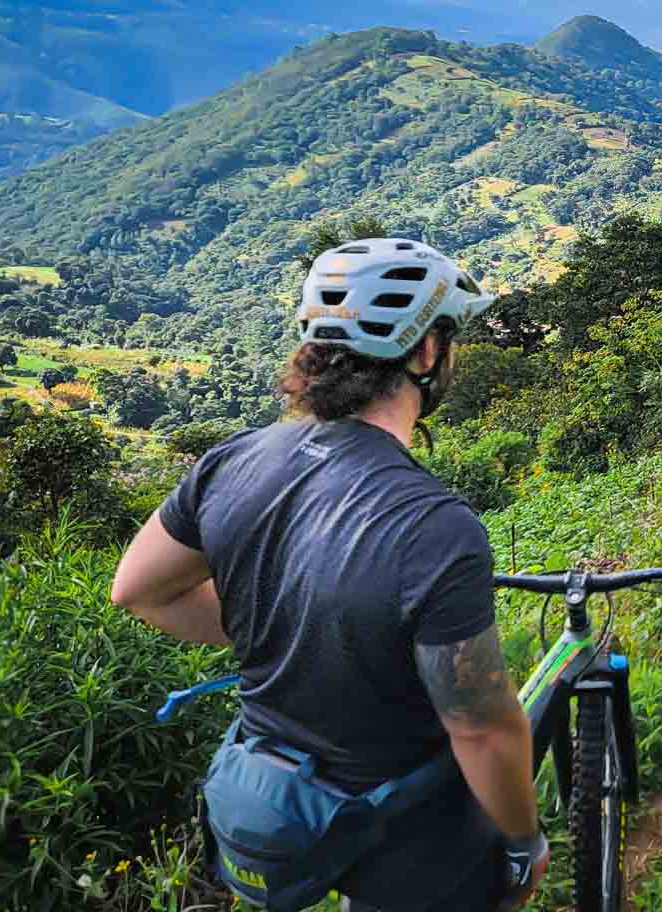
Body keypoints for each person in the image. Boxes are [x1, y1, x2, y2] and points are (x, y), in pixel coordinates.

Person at [110, 239, 547, 912]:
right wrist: (524, 839)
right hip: (405, 834)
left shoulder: (231, 463)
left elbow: (138, 590)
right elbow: (482, 728)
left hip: (273, 803)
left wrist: (284, 625)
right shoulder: (436, 526)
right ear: (427, 352)